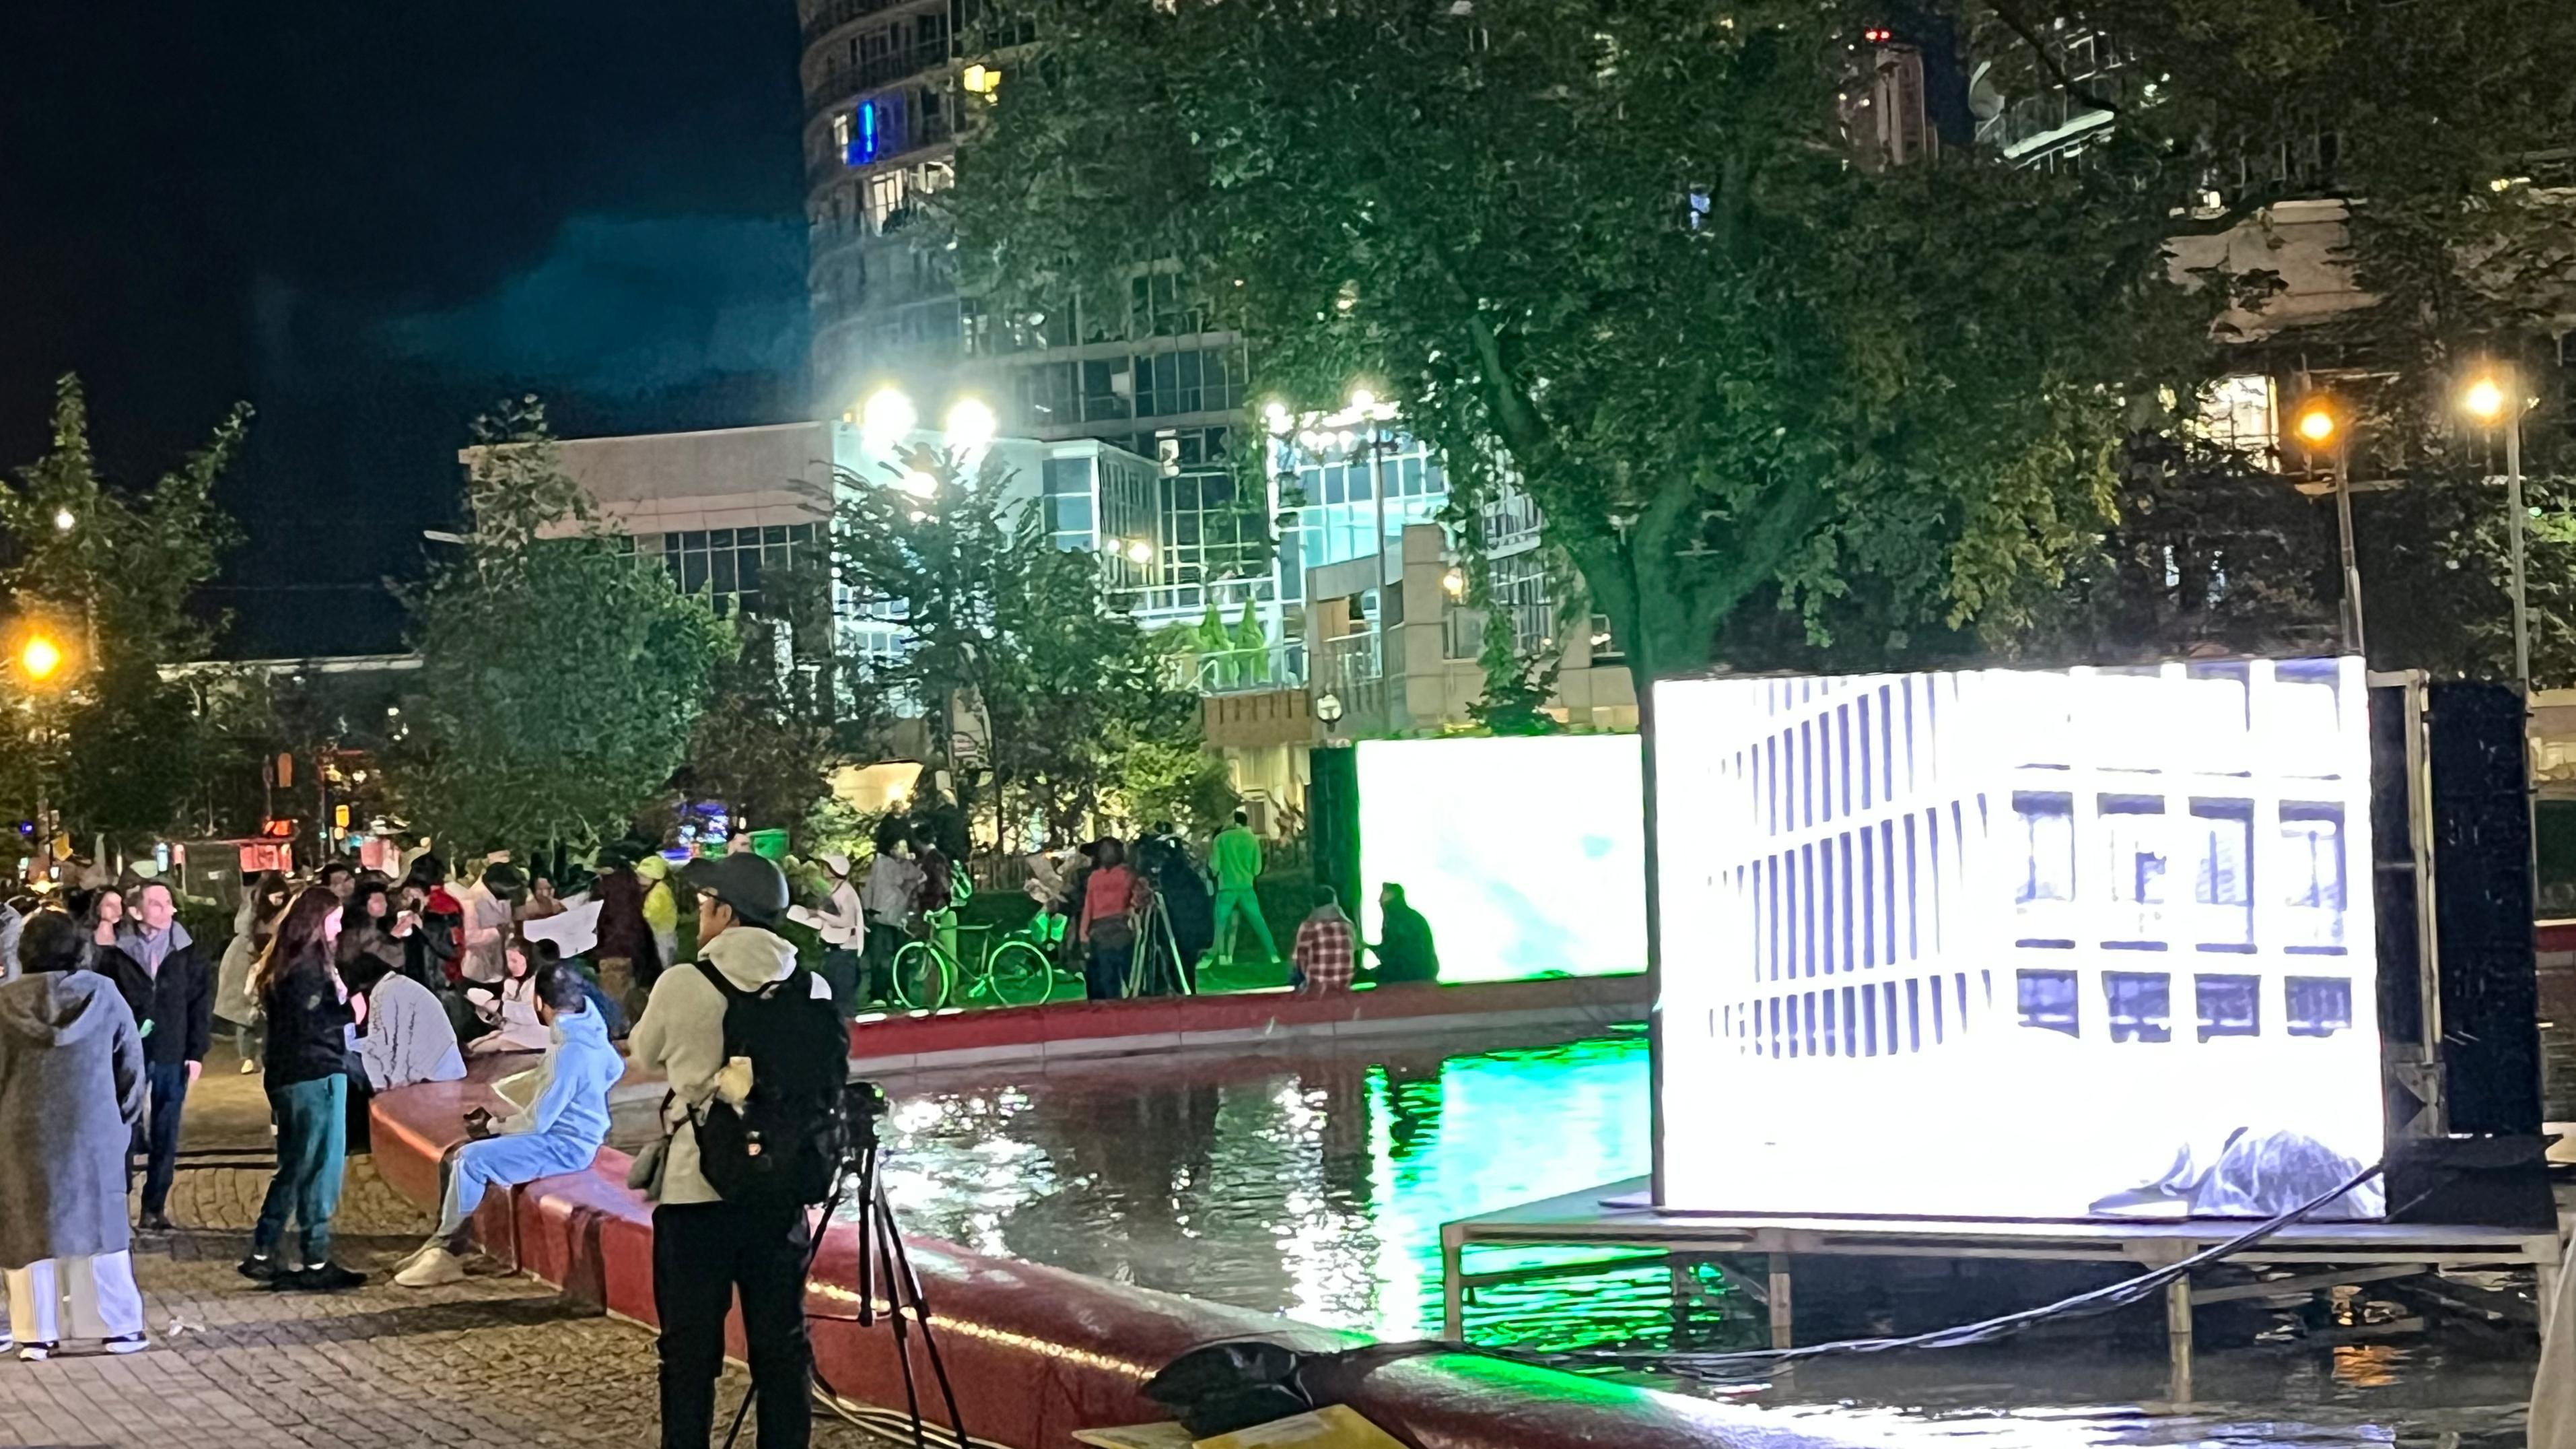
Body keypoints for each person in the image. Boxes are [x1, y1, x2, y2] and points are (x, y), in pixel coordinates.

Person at [628, 852, 831, 1449]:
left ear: (726, 910)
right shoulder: (809, 985)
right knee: (782, 1345)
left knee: (688, 1353)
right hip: (779, 1186)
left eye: (702, 904)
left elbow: (645, 1054)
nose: (699, 915)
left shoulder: (685, 981)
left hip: (697, 1188)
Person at [394, 958, 623, 1288]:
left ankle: (447, 1253)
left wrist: (495, 1126)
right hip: (576, 1137)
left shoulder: (569, 1051)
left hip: (564, 1147)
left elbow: (539, 1120)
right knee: (458, 1154)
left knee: (471, 1160)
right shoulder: (591, 1033)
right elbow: (612, 1069)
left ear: (541, 1004)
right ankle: (438, 1243)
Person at [0, 911, 149, 1360]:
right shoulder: (103, 996)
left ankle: (34, 1332)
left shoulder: (5, 1004)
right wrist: (122, 1119)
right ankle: (119, 1325)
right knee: (102, 1228)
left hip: (22, 1129)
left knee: (26, 1229)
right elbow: (130, 1063)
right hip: (93, 1127)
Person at [240, 886, 365, 1291]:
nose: (340, 926)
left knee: (293, 1165)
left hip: (285, 1075)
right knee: (320, 1167)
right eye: (335, 918)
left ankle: (264, 1249)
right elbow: (310, 1022)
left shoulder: (281, 963)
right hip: (317, 1074)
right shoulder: (310, 968)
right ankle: (315, 1257)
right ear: (317, 921)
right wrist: (351, 1012)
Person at [112, 881, 213, 1232]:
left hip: (172, 1049)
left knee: (166, 1130)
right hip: (128, 1052)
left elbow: (200, 1003)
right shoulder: (116, 952)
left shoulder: (186, 951)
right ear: (136, 912)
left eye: (168, 903)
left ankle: (154, 1206)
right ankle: (117, 1205)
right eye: (156, 904)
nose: (166, 910)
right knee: (121, 1130)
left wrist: (196, 1051)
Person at [344, 950, 464, 1094]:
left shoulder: (384, 992)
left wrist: (350, 1039)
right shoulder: (398, 984)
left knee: (367, 1057)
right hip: (443, 1059)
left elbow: (385, 1043)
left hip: (434, 1066)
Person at [217, 872, 290, 1071]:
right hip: (245, 963)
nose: (280, 901)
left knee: (269, 1013)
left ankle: (268, 1054)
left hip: (269, 962)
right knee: (245, 1014)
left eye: (283, 897)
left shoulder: (283, 912)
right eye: (276, 896)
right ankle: (248, 1057)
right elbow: (247, 933)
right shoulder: (252, 913)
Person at [788, 852, 866, 1014]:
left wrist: (820, 915)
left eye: (825, 866)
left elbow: (847, 921)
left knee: (842, 996)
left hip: (844, 949)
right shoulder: (835, 890)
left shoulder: (845, 892)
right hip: (834, 948)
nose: (822, 869)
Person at [1077, 838, 1149, 1001]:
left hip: (1111, 931)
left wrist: (1084, 933)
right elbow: (1089, 905)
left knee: (1117, 977)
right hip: (1112, 931)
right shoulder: (1117, 876)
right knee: (1119, 977)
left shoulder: (1110, 876)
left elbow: (1089, 907)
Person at [858, 829, 922, 1006]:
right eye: (899, 846)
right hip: (884, 917)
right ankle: (882, 994)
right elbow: (903, 882)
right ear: (891, 849)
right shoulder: (885, 865)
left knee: (898, 958)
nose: (903, 849)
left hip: (896, 918)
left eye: (904, 846)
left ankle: (897, 993)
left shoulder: (898, 865)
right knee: (882, 958)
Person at [1210, 810, 1279, 969]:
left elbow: (1215, 867)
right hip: (1246, 887)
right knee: (1259, 922)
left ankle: (1221, 957)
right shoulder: (1252, 839)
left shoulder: (1220, 839)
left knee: (1220, 924)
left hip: (1226, 888)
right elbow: (1257, 869)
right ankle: (1273, 954)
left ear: (1234, 821)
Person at [590, 849, 654, 1023]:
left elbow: (598, 920)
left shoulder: (605, 889)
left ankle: (620, 1037)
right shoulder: (632, 884)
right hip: (635, 949)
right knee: (630, 995)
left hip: (612, 950)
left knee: (614, 1003)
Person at [398, 856, 462, 988]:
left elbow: (452, 951)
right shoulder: (401, 914)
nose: (409, 901)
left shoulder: (443, 911)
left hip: (434, 981)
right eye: (406, 896)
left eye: (415, 896)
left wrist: (423, 927)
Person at [1369, 882, 1441, 985]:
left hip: (1409, 976)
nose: (1379, 900)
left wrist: (1366, 947)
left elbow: (1393, 954)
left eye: (1383, 896)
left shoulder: (1398, 921)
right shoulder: (1411, 917)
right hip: (1424, 974)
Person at [1292, 887, 1356, 997]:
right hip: (1343, 986)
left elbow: (1299, 959)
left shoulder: (1309, 926)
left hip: (1316, 988)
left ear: (1313, 904)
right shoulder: (1348, 926)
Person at [636, 853, 683, 977]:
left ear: (655, 877)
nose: (639, 879)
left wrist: (638, 916)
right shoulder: (653, 888)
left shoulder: (659, 892)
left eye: (644, 876)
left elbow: (651, 913)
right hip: (661, 929)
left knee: (663, 956)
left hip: (662, 930)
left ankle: (666, 976)